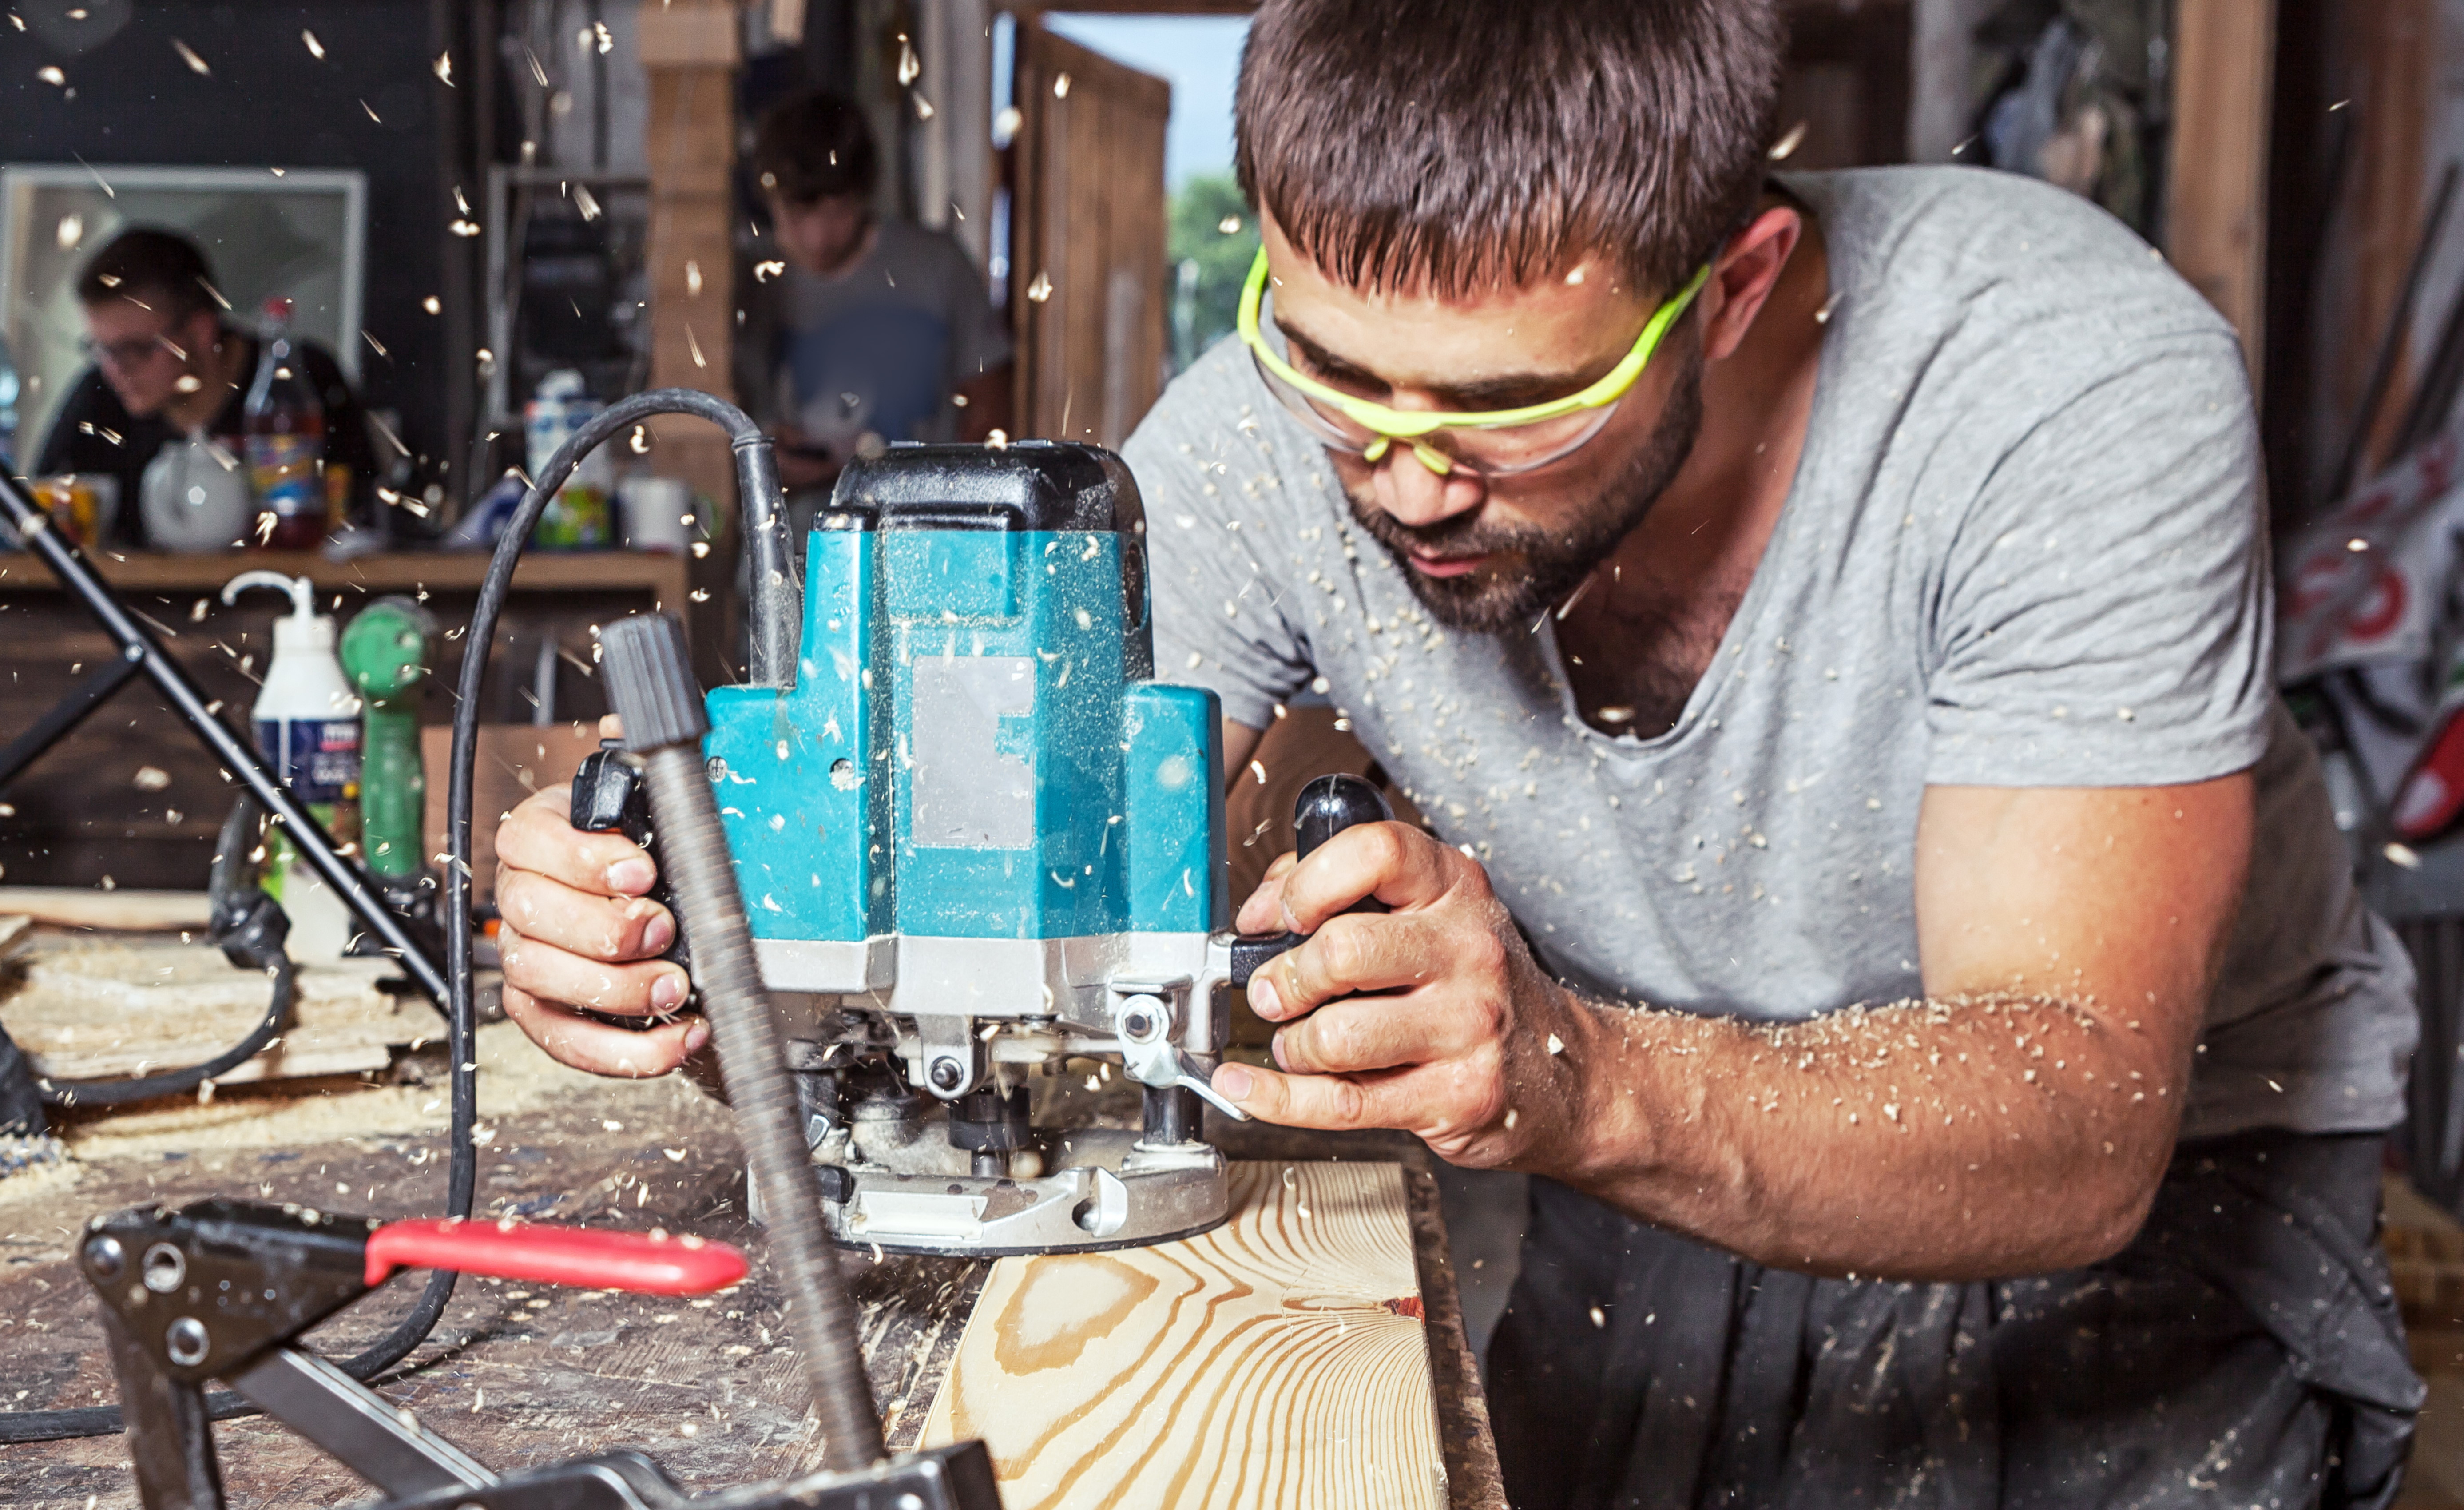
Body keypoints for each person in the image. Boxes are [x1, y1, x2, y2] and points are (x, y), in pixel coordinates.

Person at [488, 2, 2427, 1504]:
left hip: (2129, 1250)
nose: (1402, 475)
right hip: (1634, 1174)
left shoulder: (2057, 387)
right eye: (1335, 371)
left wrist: (1567, 1073)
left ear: (1729, 285)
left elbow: (2074, 1112)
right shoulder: (1264, 435)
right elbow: (991, 825)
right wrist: (678, 883)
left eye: (1512, 407)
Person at [734, 91, 1012, 492]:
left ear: (864, 194)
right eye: (797, 215)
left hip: (920, 532)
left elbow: (992, 408)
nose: (818, 240)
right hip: (785, 539)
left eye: (836, 212)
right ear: (767, 199)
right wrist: (761, 459)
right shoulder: (748, 282)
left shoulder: (936, 267)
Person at [35, 228, 377, 548]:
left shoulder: (295, 379)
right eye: (102, 350)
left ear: (201, 332)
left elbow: (365, 519)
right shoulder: (98, 397)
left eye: (135, 349)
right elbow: (40, 517)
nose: (115, 370)